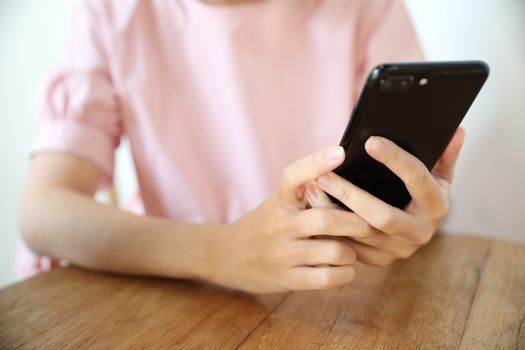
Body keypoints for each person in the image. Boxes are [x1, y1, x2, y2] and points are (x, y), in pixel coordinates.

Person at [18, 0, 465, 293]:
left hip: (334, 289)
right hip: (172, 287)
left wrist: (414, 214)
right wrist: (223, 251)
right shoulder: (111, 13)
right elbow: (43, 212)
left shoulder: (363, 7)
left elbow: (412, 182)